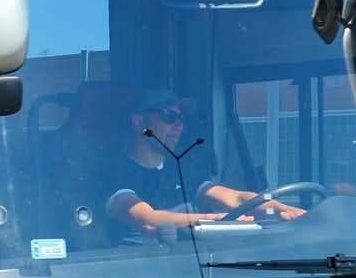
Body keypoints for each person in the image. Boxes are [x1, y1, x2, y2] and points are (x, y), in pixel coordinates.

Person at [103, 88, 299, 236]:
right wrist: (217, 220)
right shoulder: (114, 176)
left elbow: (236, 198)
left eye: (181, 118)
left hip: (194, 274)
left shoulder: (182, 169)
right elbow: (149, 221)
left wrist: (285, 209)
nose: (179, 125)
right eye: (169, 116)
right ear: (138, 122)